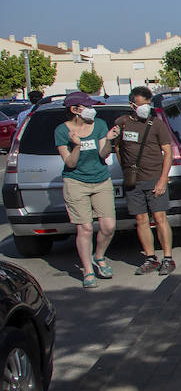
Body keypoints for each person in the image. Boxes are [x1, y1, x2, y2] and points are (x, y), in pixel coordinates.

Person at [112, 86, 176, 276]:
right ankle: (150, 258)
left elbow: (168, 153)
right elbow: (117, 147)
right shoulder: (122, 123)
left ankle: (167, 258)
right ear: (132, 104)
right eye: (141, 104)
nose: (145, 108)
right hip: (134, 181)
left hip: (154, 177)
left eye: (148, 104)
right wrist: (126, 168)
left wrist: (163, 179)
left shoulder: (156, 124)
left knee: (159, 218)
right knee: (141, 220)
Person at [56, 91, 116, 289]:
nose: (92, 110)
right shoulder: (61, 131)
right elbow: (70, 164)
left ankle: (99, 257)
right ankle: (88, 270)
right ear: (75, 110)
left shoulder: (98, 125)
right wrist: (76, 146)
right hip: (76, 182)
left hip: (100, 179)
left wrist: (109, 140)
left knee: (108, 226)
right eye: (86, 106)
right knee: (85, 228)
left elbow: (103, 154)